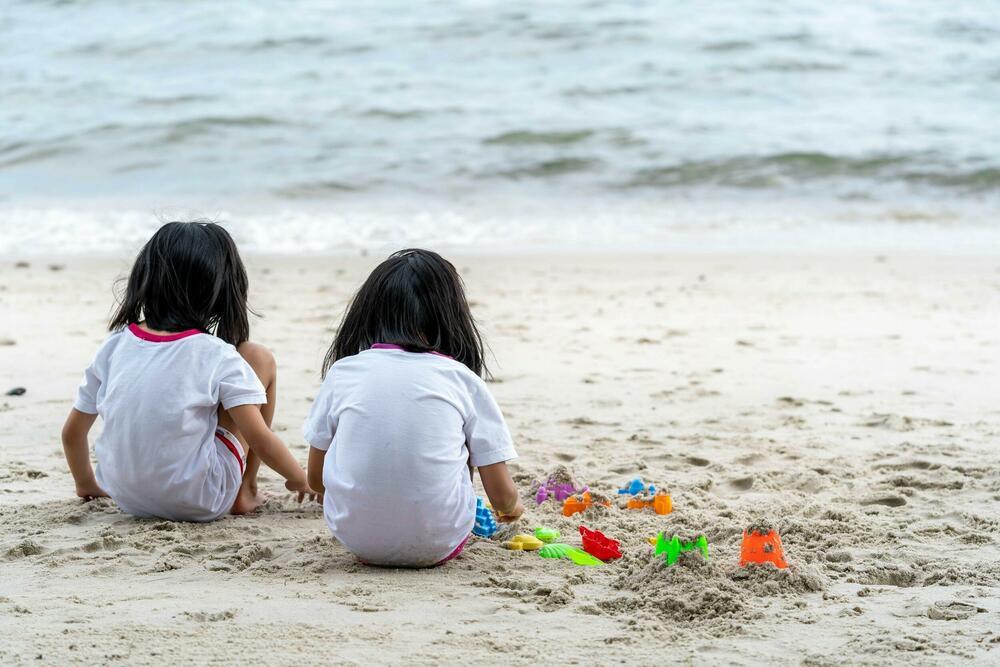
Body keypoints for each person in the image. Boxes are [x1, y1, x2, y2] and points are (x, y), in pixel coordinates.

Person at [61, 221, 312, 521]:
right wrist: (300, 479)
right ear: (222, 289)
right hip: (201, 498)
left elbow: (72, 433)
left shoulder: (114, 346)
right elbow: (259, 438)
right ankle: (245, 491)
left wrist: (86, 483)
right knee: (258, 357)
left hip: (126, 497)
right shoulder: (217, 354)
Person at [303, 248, 523, 567]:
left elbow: (315, 479)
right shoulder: (461, 379)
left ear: (369, 312)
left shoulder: (344, 373)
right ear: (450, 315)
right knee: (460, 444)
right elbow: (501, 495)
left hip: (355, 536)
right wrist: (512, 509)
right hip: (439, 541)